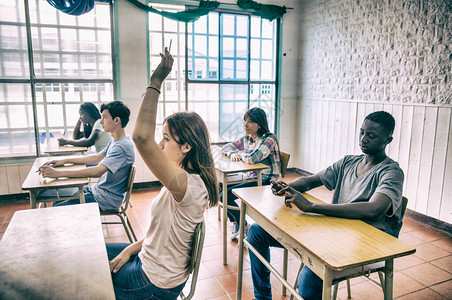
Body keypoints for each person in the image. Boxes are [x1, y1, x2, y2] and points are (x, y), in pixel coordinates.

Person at [248, 111, 404, 300]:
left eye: (371, 135)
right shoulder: (348, 162)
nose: (363, 139)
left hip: (366, 247)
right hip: (335, 236)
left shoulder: (391, 172)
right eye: (361, 132)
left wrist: (311, 206)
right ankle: (262, 297)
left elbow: (374, 209)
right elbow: (310, 181)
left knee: (309, 278)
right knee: (256, 232)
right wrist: (286, 186)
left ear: (388, 139)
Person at [106, 48, 218, 300]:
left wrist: (156, 81)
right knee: (93, 252)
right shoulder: (181, 179)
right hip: (151, 263)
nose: (159, 144)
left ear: (187, 147)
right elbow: (158, 235)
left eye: (165, 139)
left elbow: (141, 137)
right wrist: (131, 250)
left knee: (88, 272)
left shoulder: (188, 185)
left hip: (153, 282)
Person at [39, 101, 135, 211]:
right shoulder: (116, 141)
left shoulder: (122, 146)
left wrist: (58, 173)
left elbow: (97, 171)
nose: (101, 121)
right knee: (57, 200)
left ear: (117, 120)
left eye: (104, 117)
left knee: (58, 208)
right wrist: (64, 160)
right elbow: (95, 158)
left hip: (105, 200)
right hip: (98, 191)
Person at [221, 107, 281, 239]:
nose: (245, 125)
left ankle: (242, 225)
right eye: (244, 121)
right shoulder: (247, 139)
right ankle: (239, 223)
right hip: (252, 177)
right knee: (221, 188)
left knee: (223, 196)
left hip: (267, 181)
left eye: (249, 122)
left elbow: (253, 158)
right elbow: (225, 147)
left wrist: (240, 155)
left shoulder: (269, 138)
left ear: (259, 124)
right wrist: (232, 154)